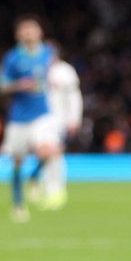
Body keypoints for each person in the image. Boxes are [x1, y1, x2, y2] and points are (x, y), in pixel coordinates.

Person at [0, 16, 60, 222]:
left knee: (49, 151)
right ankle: (18, 204)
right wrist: (18, 85)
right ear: (18, 34)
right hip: (19, 117)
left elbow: (54, 70)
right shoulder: (13, 58)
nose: (28, 33)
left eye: (32, 29)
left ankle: (34, 176)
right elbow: (1, 85)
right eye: (24, 30)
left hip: (42, 114)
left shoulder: (49, 52)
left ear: (40, 32)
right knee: (17, 162)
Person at [28, 41, 82, 209]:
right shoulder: (37, 70)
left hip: (57, 119)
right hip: (38, 118)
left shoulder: (65, 71)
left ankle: (55, 191)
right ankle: (45, 186)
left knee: (52, 152)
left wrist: (74, 118)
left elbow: (74, 97)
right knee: (43, 153)